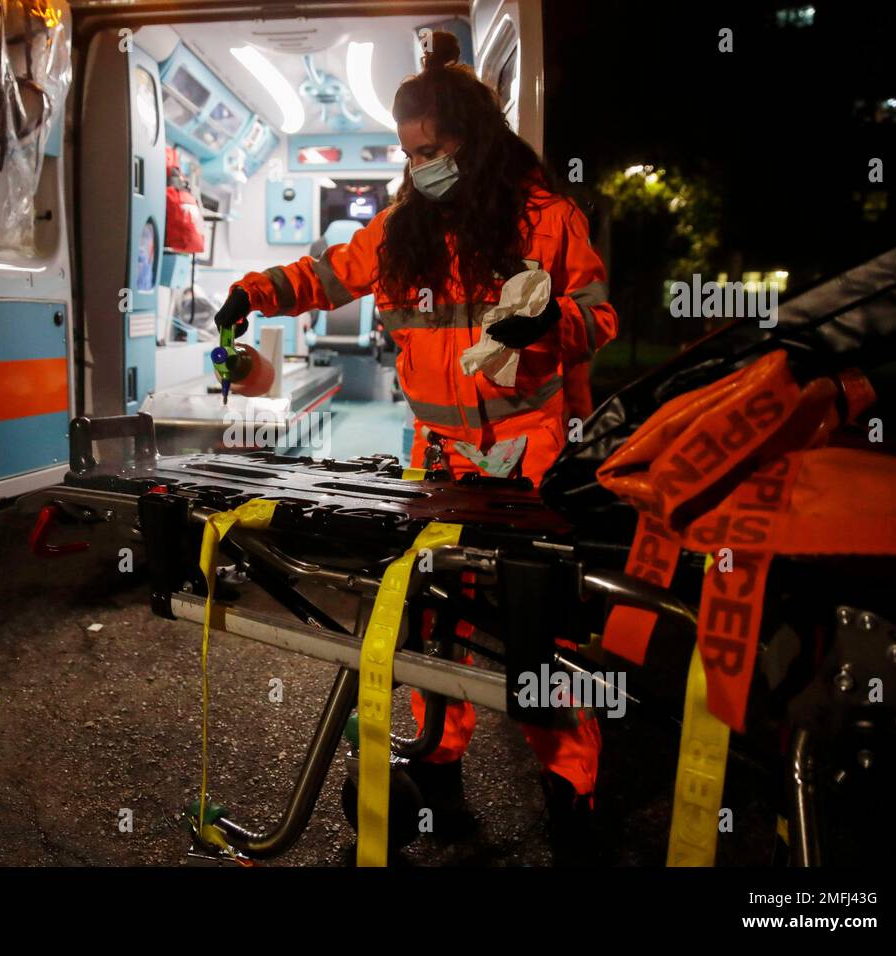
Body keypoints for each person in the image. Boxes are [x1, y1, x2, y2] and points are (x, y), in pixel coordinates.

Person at [212, 31, 617, 856]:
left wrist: (547, 322)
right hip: (439, 462)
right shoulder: (403, 231)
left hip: (533, 464)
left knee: (543, 642)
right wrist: (248, 293)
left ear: (476, 136)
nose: (422, 164)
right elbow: (327, 274)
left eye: (433, 149)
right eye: (411, 153)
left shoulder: (550, 221)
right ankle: (440, 775)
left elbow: (600, 319)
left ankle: (571, 802)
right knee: (437, 628)